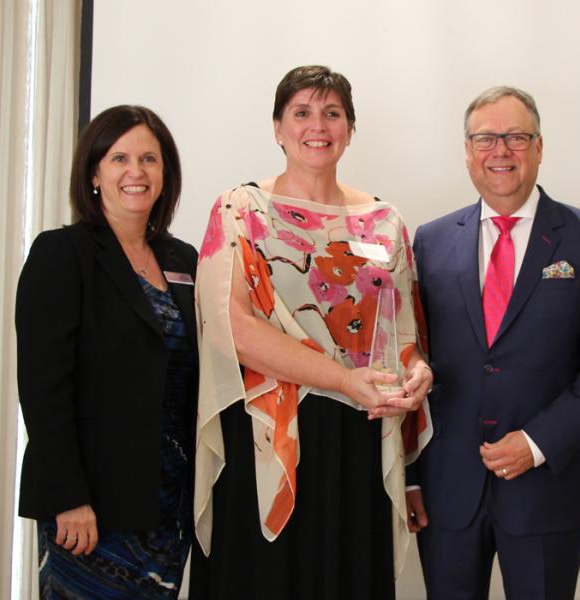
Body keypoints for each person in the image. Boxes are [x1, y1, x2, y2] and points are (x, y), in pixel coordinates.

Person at [189, 65, 433, 599]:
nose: (316, 125)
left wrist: (418, 373)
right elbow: (229, 329)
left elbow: (404, 330)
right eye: (301, 112)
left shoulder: (384, 220)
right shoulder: (240, 209)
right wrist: (341, 380)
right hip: (267, 433)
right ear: (277, 127)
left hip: (357, 434)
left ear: (349, 128)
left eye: (331, 113)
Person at [409, 86, 580, 600]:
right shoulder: (430, 239)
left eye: (515, 137)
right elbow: (413, 357)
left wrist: (535, 444)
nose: (500, 151)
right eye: (485, 138)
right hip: (447, 492)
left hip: (546, 489)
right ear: (467, 151)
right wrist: (413, 476)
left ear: (539, 146)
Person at [15, 105, 198, 599]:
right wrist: (68, 496)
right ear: (94, 172)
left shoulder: (184, 260)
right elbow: (43, 387)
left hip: (168, 499)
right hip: (91, 504)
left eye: (149, 159)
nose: (135, 172)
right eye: (119, 159)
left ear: (165, 173)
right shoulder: (62, 253)